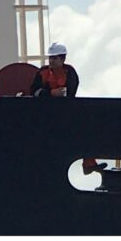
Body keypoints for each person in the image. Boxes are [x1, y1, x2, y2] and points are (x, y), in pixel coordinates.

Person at [30, 42, 104, 175]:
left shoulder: (69, 72)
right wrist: (52, 93)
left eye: (55, 58)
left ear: (62, 59)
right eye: (50, 58)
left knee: (86, 130)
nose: (51, 61)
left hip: (65, 113)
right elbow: (34, 91)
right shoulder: (42, 72)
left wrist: (48, 92)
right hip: (43, 115)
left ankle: (89, 163)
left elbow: (70, 94)